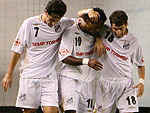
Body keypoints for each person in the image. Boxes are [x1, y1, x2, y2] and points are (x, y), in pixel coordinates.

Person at [1, 0, 75, 113]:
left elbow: (84, 22)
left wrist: (90, 12)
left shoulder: (64, 23)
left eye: (57, 20)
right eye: (51, 19)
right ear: (45, 12)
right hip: (30, 76)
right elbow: (17, 51)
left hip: (49, 77)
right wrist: (8, 74)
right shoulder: (29, 23)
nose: (54, 23)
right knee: (29, 111)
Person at [93, 10, 145, 113]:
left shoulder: (135, 42)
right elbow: (88, 26)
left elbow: (141, 64)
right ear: (111, 25)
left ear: (126, 24)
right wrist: (98, 39)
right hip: (106, 83)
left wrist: (141, 82)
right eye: (115, 29)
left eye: (121, 29)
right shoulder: (105, 31)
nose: (118, 32)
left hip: (125, 84)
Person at [58, 8, 107, 113]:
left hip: (87, 81)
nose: (98, 29)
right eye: (96, 27)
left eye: (99, 27)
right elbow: (64, 58)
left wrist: (98, 37)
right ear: (88, 21)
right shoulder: (70, 31)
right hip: (70, 78)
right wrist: (87, 61)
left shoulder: (98, 32)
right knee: (70, 110)